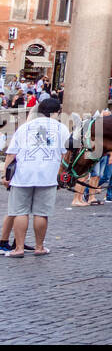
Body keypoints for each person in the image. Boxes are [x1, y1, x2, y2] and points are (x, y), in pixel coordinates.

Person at [3, 98, 67, 257]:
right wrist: (62, 173)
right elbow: (67, 154)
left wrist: (6, 176)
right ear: (56, 112)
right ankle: (39, 247)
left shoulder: (24, 127)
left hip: (23, 175)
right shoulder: (61, 128)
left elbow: (11, 154)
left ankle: (18, 248)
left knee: (20, 212)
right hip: (47, 176)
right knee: (41, 213)